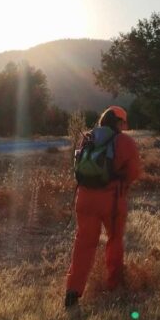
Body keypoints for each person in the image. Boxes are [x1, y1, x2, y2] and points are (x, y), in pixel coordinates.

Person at [65, 105, 142, 308]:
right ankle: (114, 285)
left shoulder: (87, 137)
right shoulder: (124, 141)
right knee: (114, 241)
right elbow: (134, 172)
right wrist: (122, 183)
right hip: (112, 201)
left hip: (84, 199)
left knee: (83, 244)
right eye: (124, 123)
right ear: (118, 123)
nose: (125, 126)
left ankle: (73, 289)